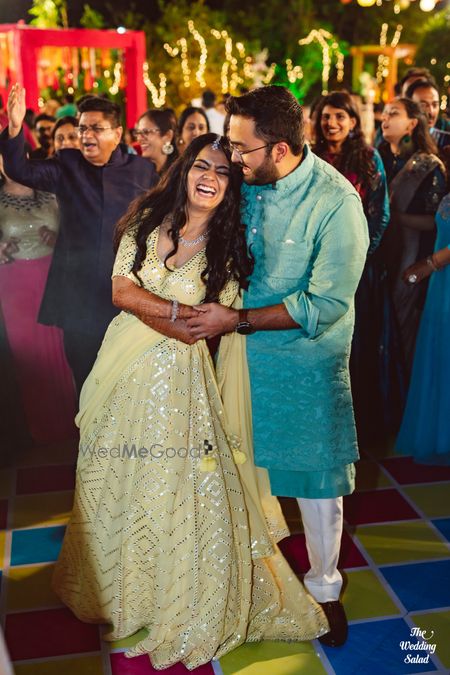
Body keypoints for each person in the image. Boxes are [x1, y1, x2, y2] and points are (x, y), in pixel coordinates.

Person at [53, 134, 328, 669]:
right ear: (183, 171)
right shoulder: (145, 223)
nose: (210, 176)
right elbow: (118, 291)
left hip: (178, 389)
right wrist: (175, 311)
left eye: (223, 172)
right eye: (201, 165)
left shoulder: (229, 249)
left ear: (232, 187)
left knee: (170, 487)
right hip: (119, 375)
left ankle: (175, 598)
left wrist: (159, 312)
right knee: (110, 478)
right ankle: (118, 591)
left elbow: (199, 329)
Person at [186, 86, 369, 647]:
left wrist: (235, 319)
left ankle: (325, 589)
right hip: (237, 350)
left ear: (281, 148)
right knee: (232, 471)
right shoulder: (247, 182)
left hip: (306, 363)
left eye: (243, 150)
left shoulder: (336, 202)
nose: (233, 159)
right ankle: (237, 581)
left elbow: (327, 303)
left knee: (317, 483)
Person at [0, 84, 157, 394]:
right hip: (78, 299)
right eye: (82, 127)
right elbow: (20, 170)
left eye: (96, 128)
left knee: (125, 383)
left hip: (123, 296)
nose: (86, 135)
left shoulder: (141, 171)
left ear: (117, 133)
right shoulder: (67, 165)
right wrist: (15, 128)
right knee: (86, 382)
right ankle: (88, 439)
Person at [313, 91, 390, 443]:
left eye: (340, 117)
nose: (332, 123)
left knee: (358, 345)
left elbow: (380, 215)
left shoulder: (369, 159)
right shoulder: (309, 159)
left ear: (354, 122)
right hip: (314, 271)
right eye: (327, 116)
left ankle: (363, 426)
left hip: (359, 270)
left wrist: (357, 260)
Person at [0, 153, 76, 443]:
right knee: (27, 355)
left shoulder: (52, 194)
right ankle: (38, 429)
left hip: (52, 276)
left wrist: (58, 241)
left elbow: (75, 236)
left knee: (59, 349)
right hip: (13, 283)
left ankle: (69, 424)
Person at [379, 98, 446, 382]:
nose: (385, 119)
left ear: (412, 123)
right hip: (379, 257)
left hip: (412, 256)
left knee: (407, 332)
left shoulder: (428, 166)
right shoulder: (377, 156)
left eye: (394, 114)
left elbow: (435, 221)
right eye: (384, 113)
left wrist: (392, 217)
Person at [396, 192, 450, 465]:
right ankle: (441, 436)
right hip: (442, 289)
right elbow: (437, 222)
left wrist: (428, 265)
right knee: (441, 355)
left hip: (441, 276)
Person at [405, 79, 450, 156]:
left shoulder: (446, 141)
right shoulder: (397, 141)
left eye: (435, 105)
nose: (431, 112)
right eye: (423, 105)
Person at [135, 108, 178, 176]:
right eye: (138, 133)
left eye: (146, 132)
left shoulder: (180, 173)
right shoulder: (137, 173)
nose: (139, 139)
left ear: (168, 136)